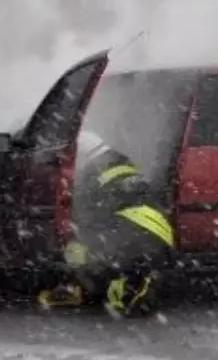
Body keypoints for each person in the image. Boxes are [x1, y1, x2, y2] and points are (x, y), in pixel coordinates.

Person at [37, 131, 176, 318]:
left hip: (134, 233)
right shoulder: (119, 161)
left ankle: (80, 287)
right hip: (157, 234)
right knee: (108, 257)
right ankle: (131, 281)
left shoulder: (92, 173)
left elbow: (84, 217)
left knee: (77, 247)